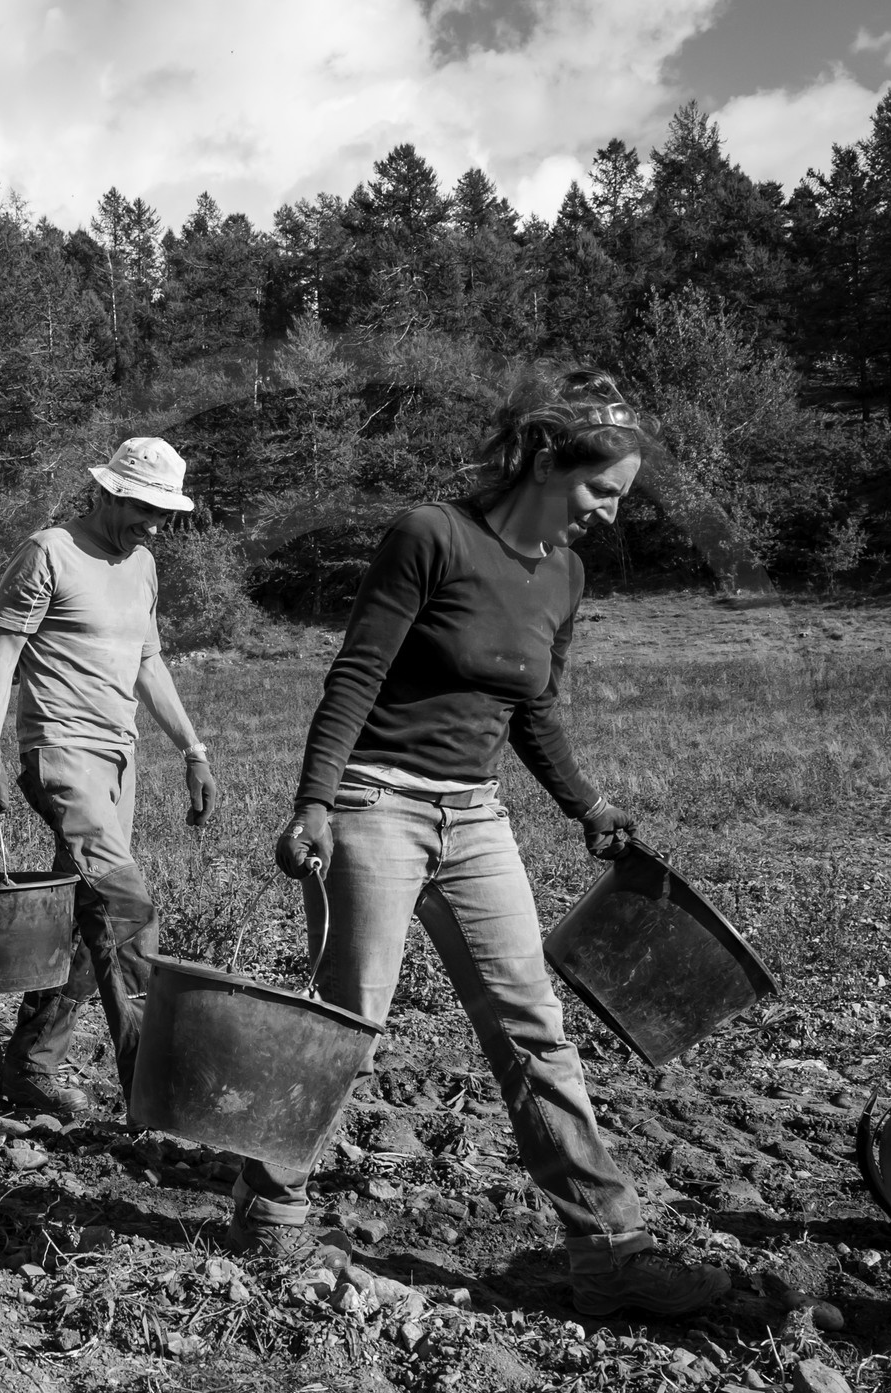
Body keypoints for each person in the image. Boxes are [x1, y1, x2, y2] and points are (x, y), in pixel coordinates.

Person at [249, 369, 731, 1320]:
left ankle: (606, 1245)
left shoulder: (566, 572)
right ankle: (272, 1201)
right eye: (602, 491)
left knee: (530, 1020)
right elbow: (357, 674)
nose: (608, 514)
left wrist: (585, 805)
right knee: (354, 1014)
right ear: (550, 462)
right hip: (376, 800)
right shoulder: (432, 535)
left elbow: (533, 707)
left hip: (475, 815)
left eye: (620, 499)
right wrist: (314, 802)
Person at [0, 437, 220, 1118]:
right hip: (56, 749)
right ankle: (156, 1090)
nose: (155, 524)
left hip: (119, 756)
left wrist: (192, 749)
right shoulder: (48, 552)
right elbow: (2, 657)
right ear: (106, 493)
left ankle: (27, 1066)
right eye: (144, 508)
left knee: (86, 915)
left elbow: (148, 664)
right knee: (126, 906)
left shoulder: (142, 564)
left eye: (164, 512)